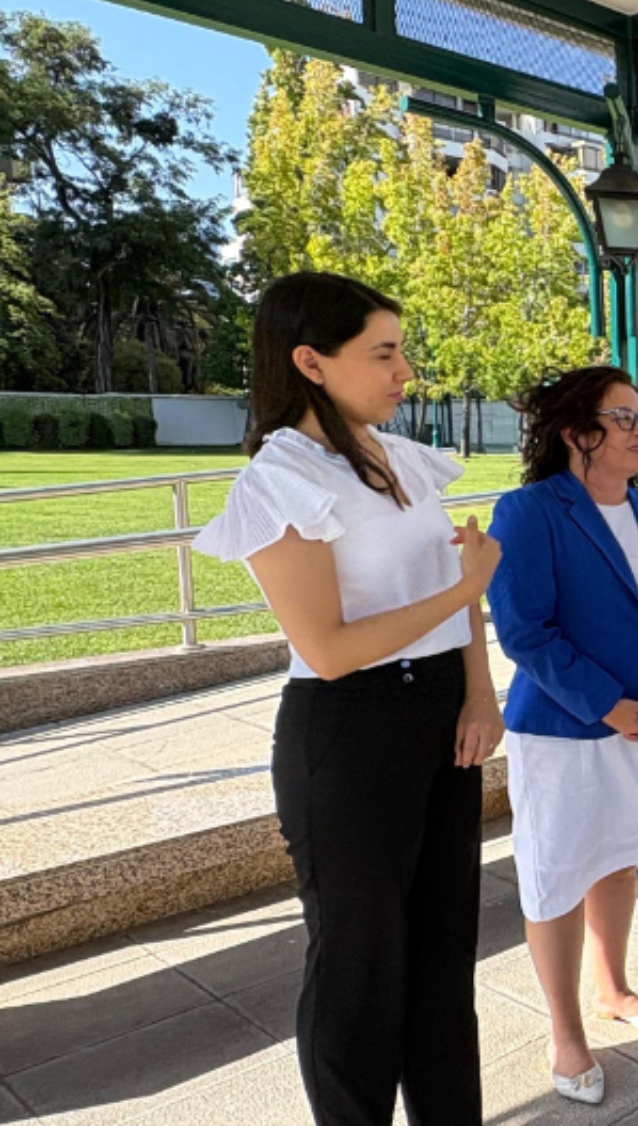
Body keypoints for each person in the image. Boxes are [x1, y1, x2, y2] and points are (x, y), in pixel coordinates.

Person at [192, 272, 502, 1125]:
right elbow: (327, 649)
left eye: (401, 352)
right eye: (383, 353)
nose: (405, 372)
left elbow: (456, 582)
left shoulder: (401, 460)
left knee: (444, 958)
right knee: (360, 970)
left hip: (442, 713)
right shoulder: (280, 480)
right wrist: (464, 588)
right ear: (311, 362)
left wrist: (480, 694)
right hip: (350, 732)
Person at [485, 365, 638, 1105]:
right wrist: (607, 705)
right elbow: (525, 632)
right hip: (563, 730)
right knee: (557, 873)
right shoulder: (528, 512)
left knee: (618, 857)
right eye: (625, 418)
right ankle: (565, 1030)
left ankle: (614, 989)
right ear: (577, 432)